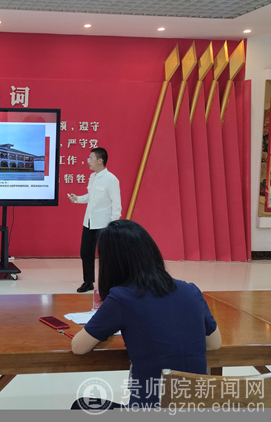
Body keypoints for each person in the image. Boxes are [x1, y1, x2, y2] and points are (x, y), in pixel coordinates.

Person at [71, 220, 221, 410]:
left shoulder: (121, 298)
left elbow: (79, 347)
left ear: (111, 263)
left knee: (81, 406)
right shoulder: (190, 290)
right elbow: (214, 343)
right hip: (197, 409)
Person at [68, 147, 121, 292]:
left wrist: (113, 224)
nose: (88, 161)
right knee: (85, 252)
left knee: (106, 255)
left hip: (104, 224)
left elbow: (116, 204)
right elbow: (90, 197)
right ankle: (88, 282)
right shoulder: (92, 177)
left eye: (90, 158)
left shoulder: (111, 179)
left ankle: (109, 283)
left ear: (100, 160)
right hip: (89, 221)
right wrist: (78, 199)